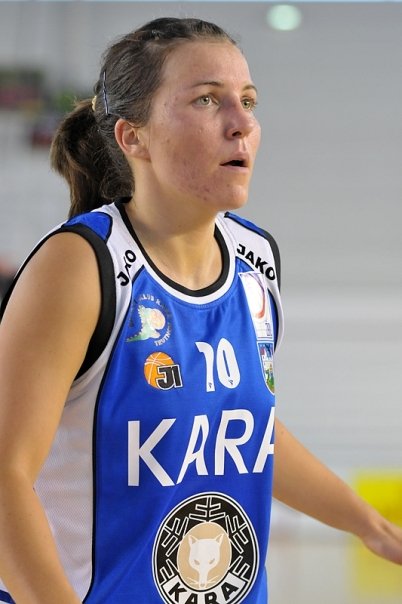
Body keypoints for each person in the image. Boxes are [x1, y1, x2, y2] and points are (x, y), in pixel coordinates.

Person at [0, 17, 401, 604]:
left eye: (248, 101)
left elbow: (242, 427)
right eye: (208, 100)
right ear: (133, 137)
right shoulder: (81, 266)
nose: (242, 124)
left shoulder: (255, 259)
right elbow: (6, 476)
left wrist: (371, 526)